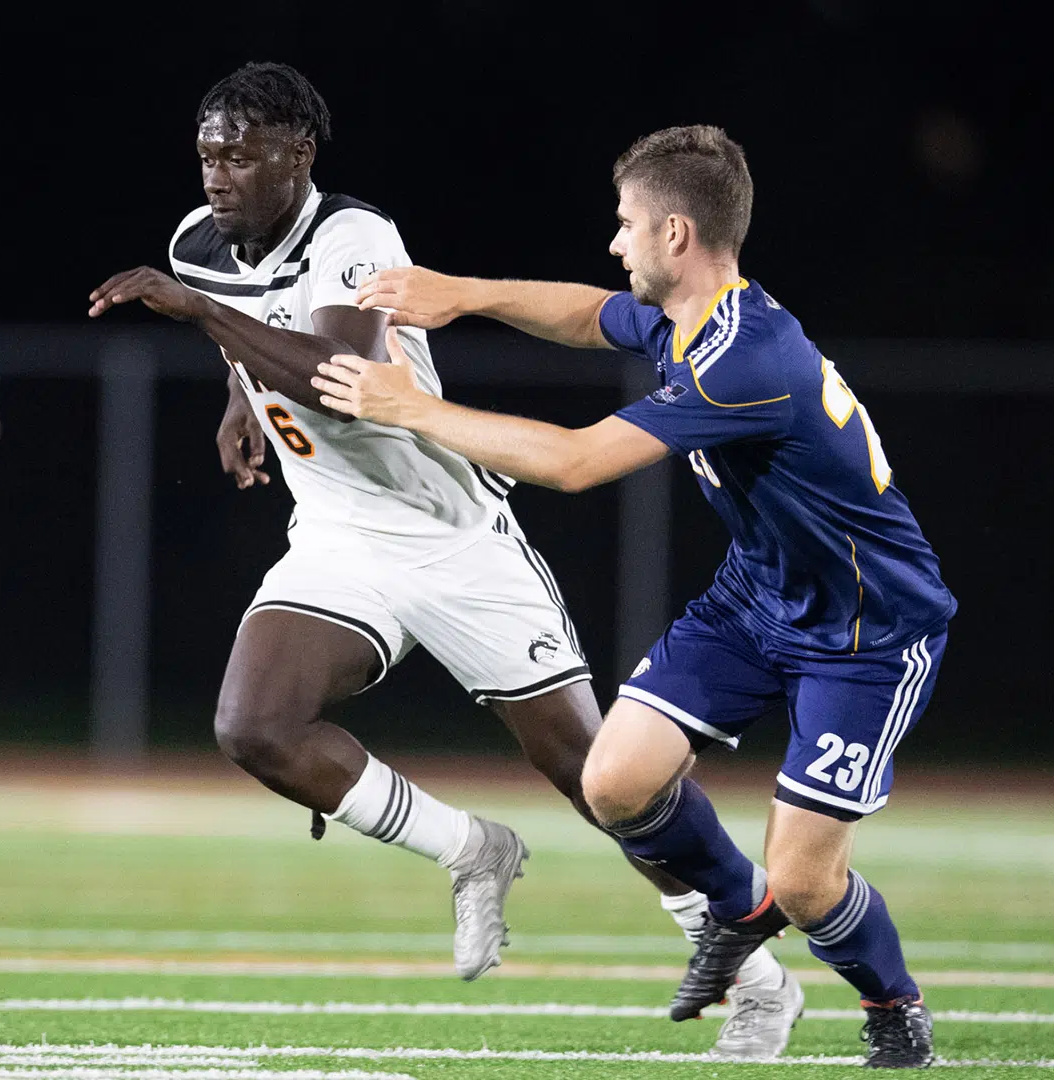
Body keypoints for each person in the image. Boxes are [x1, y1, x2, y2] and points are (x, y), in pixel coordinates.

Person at [86, 65, 797, 1050]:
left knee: (596, 777)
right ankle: (471, 852)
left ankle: (756, 975)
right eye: (209, 152)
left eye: (243, 153)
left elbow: (337, 379)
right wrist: (237, 404)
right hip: (337, 534)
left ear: (300, 154)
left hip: (456, 535)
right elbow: (245, 326)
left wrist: (202, 319)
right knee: (254, 725)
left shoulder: (353, 238)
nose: (219, 172)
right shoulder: (196, 248)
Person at [316, 124, 952, 1068]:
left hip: (867, 632)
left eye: (626, 225)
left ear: (677, 235)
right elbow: (589, 315)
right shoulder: (695, 319)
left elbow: (575, 464)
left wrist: (410, 406)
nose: (616, 243)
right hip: (756, 598)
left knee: (808, 882)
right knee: (615, 780)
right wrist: (462, 296)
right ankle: (736, 920)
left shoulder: (745, 363)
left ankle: (893, 1003)